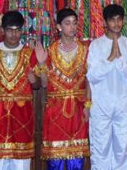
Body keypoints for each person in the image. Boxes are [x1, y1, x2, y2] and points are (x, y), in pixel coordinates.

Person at [0, 11, 39, 170]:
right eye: (10, 30)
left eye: (18, 30)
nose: (14, 34)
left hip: (22, 114)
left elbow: (38, 85)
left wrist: (35, 81)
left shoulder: (29, 53)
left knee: (21, 163)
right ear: (3, 30)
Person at [32, 9, 90, 168]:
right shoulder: (50, 51)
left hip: (78, 110)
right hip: (56, 110)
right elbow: (44, 84)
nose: (72, 27)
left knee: (76, 160)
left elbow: (89, 80)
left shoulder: (85, 50)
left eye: (74, 22)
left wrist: (88, 105)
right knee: (55, 161)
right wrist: (42, 64)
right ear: (58, 27)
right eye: (67, 23)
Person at [87, 4, 127, 170]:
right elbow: (92, 76)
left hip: (123, 102)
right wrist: (110, 59)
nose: (116, 24)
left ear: (123, 21)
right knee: (100, 146)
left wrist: (121, 60)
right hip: (101, 102)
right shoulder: (95, 46)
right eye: (112, 20)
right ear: (105, 22)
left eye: (119, 20)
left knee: (122, 147)